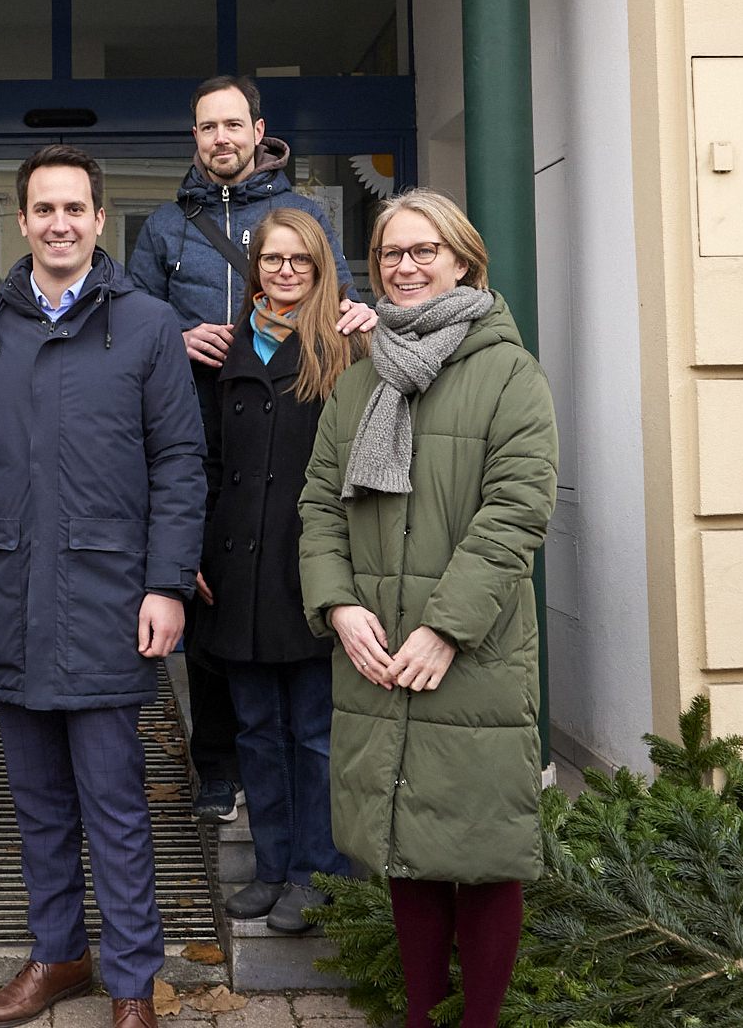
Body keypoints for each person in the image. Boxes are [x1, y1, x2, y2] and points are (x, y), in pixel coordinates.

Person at [0, 145, 206, 1028]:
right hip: (8, 593)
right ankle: (57, 957)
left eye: (73, 209)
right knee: (36, 803)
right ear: (21, 221)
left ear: (97, 218)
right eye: (42, 209)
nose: (58, 223)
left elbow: (179, 463)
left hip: (108, 599)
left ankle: (131, 981)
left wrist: (166, 583)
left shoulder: (149, 325)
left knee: (116, 803)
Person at [297, 189, 557, 1028]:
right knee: (406, 854)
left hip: (470, 653)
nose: (404, 268)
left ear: (462, 262)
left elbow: (516, 511)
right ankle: (420, 1017)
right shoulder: (359, 380)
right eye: (390, 256)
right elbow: (318, 507)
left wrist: (445, 628)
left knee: (480, 855)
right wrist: (337, 606)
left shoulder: (508, 372)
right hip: (375, 648)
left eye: (423, 252)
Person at [127, 74, 374, 823]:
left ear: (256, 129)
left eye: (232, 124)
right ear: (194, 137)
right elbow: (132, 314)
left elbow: (333, 292)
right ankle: (214, 766)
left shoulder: (298, 214)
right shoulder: (165, 226)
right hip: (197, 421)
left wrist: (360, 316)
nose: (221, 138)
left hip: (289, 411)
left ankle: (298, 787)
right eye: (207, 127)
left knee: (286, 595)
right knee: (212, 602)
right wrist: (174, 332)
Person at [196, 208, 362, 936]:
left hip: (312, 568)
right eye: (271, 260)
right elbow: (197, 462)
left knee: (315, 731)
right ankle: (269, 868)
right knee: (256, 729)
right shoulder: (222, 351)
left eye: (300, 260)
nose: (285, 272)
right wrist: (194, 553)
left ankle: (315, 872)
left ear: (321, 269)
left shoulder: (347, 349)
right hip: (234, 570)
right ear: (253, 268)